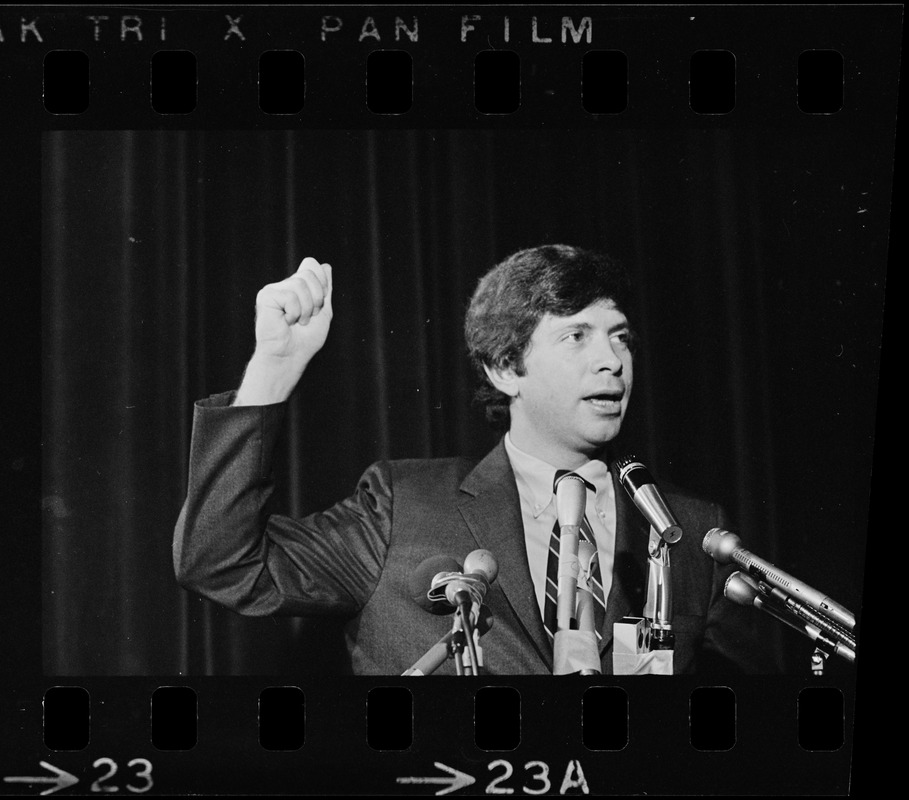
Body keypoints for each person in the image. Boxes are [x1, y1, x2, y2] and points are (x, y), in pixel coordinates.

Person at [173, 245, 767, 675]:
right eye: (577, 336)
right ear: (505, 369)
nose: (612, 360)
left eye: (621, 337)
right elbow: (223, 563)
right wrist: (273, 367)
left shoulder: (687, 528)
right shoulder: (401, 503)